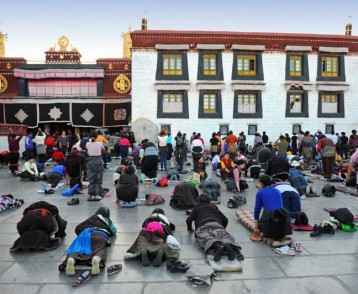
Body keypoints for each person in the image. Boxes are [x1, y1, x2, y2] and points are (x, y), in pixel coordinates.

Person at [59, 207, 116, 276]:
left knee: (77, 248)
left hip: (85, 233)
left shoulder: (91, 218)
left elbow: (77, 228)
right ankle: (96, 258)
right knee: (100, 249)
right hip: (100, 234)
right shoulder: (107, 221)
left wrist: (82, 234)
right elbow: (114, 231)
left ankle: (71, 258)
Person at [186, 194, 244, 262]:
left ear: (198, 201)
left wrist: (190, 229)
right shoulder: (213, 206)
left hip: (203, 226)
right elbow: (225, 219)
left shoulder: (196, 207)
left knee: (206, 238)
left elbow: (188, 220)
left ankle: (217, 246)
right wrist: (222, 228)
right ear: (209, 201)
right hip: (216, 224)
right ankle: (232, 247)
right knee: (224, 236)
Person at [252, 175, 291, 241]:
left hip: (270, 228)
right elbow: (280, 207)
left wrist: (256, 227)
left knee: (266, 214)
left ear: (261, 183)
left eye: (258, 182)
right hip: (284, 227)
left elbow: (257, 210)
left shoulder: (260, 193)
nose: (256, 184)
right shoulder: (277, 191)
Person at [86, 131, 105, 201]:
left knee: (91, 178)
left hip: (90, 160)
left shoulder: (87, 144)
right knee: (98, 178)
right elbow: (103, 151)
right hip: (98, 160)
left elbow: (87, 149)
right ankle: (97, 194)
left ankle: (91, 195)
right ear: (97, 136)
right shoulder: (100, 143)